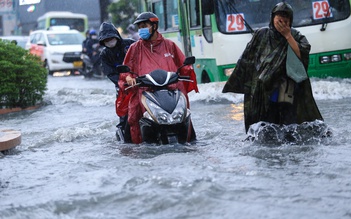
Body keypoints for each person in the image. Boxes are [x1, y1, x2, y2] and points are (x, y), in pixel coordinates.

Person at [222, 2, 323, 133]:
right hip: (263, 90)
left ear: (290, 21)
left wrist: (288, 36)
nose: (281, 23)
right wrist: (245, 85)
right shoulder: (261, 35)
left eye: (285, 20)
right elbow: (247, 61)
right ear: (272, 18)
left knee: (288, 128)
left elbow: (302, 54)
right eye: (279, 18)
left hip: (286, 89)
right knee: (264, 128)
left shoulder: (296, 36)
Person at [120, 12, 199, 144]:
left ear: (154, 26)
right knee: (133, 116)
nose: (141, 30)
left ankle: (190, 139)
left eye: (144, 25)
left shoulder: (170, 45)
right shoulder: (135, 48)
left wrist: (187, 69)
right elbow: (125, 70)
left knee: (185, 115)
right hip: (145, 91)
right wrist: (128, 77)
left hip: (170, 90)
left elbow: (183, 65)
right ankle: (131, 146)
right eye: (139, 27)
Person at [98, 22, 136, 142]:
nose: (109, 41)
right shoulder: (104, 54)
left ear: (116, 36)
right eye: (106, 40)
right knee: (124, 114)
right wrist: (123, 82)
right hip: (122, 86)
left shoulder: (130, 44)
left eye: (111, 38)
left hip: (139, 81)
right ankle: (124, 134)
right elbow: (110, 73)